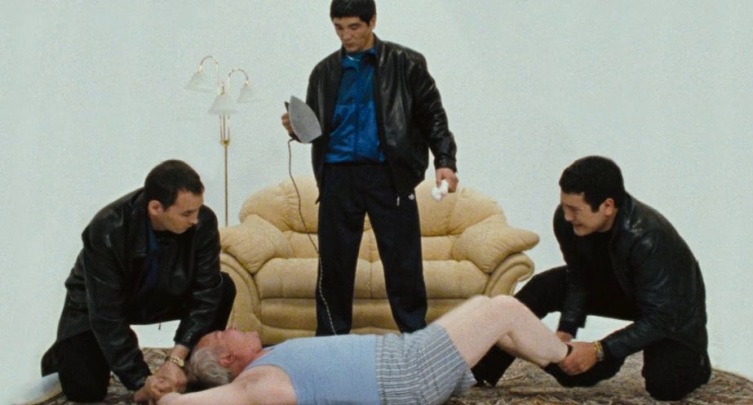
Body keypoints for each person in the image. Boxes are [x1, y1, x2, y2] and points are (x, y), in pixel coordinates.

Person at [280, 0, 459, 336]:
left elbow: (433, 116)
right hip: (337, 175)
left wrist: (445, 162)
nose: (346, 36)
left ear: (372, 21)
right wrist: (297, 128)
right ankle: (330, 341)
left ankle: (415, 337)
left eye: (354, 27)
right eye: (338, 28)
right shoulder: (323, 72)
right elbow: (316, 129)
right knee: (334, 264)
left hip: (389, 174)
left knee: (403, 262)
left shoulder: (406, 63)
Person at [472, 156, 711, 401]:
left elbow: (661, 316)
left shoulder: (649, 237)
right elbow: (578, 277)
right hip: (617, 287)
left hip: (670, 308)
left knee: (665, 386)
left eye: (575, 209)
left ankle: (699, 365)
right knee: (544, 287)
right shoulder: (567, 221)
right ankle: (478, 371)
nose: (567, 216)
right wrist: (565, 332)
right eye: (564, 206)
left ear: (607, 206)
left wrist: (600, 349)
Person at [40, 159, 237, 403]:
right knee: (84, 390)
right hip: (94, 304)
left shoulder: (203, 222)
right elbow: (106, 314)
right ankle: (63, 352)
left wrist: (176, 359)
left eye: (197, 209)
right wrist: (141, 382)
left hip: (160, 293)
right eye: (186, 213)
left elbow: (206, 293)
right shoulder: (107, 228)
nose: (195, 220)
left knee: (223, 287)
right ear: (155, 208)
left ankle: (191, 371)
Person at [153, 294, 569, 404]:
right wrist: (166, 387)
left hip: (405, 356)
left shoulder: (268, 359)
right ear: (227, 359)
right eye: (221, 334)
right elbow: (180, 404)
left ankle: (551, 355)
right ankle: (572, 360)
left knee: (485, 307)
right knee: (502, 309)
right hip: (406, 375)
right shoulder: (259, 382)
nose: (230, 326)